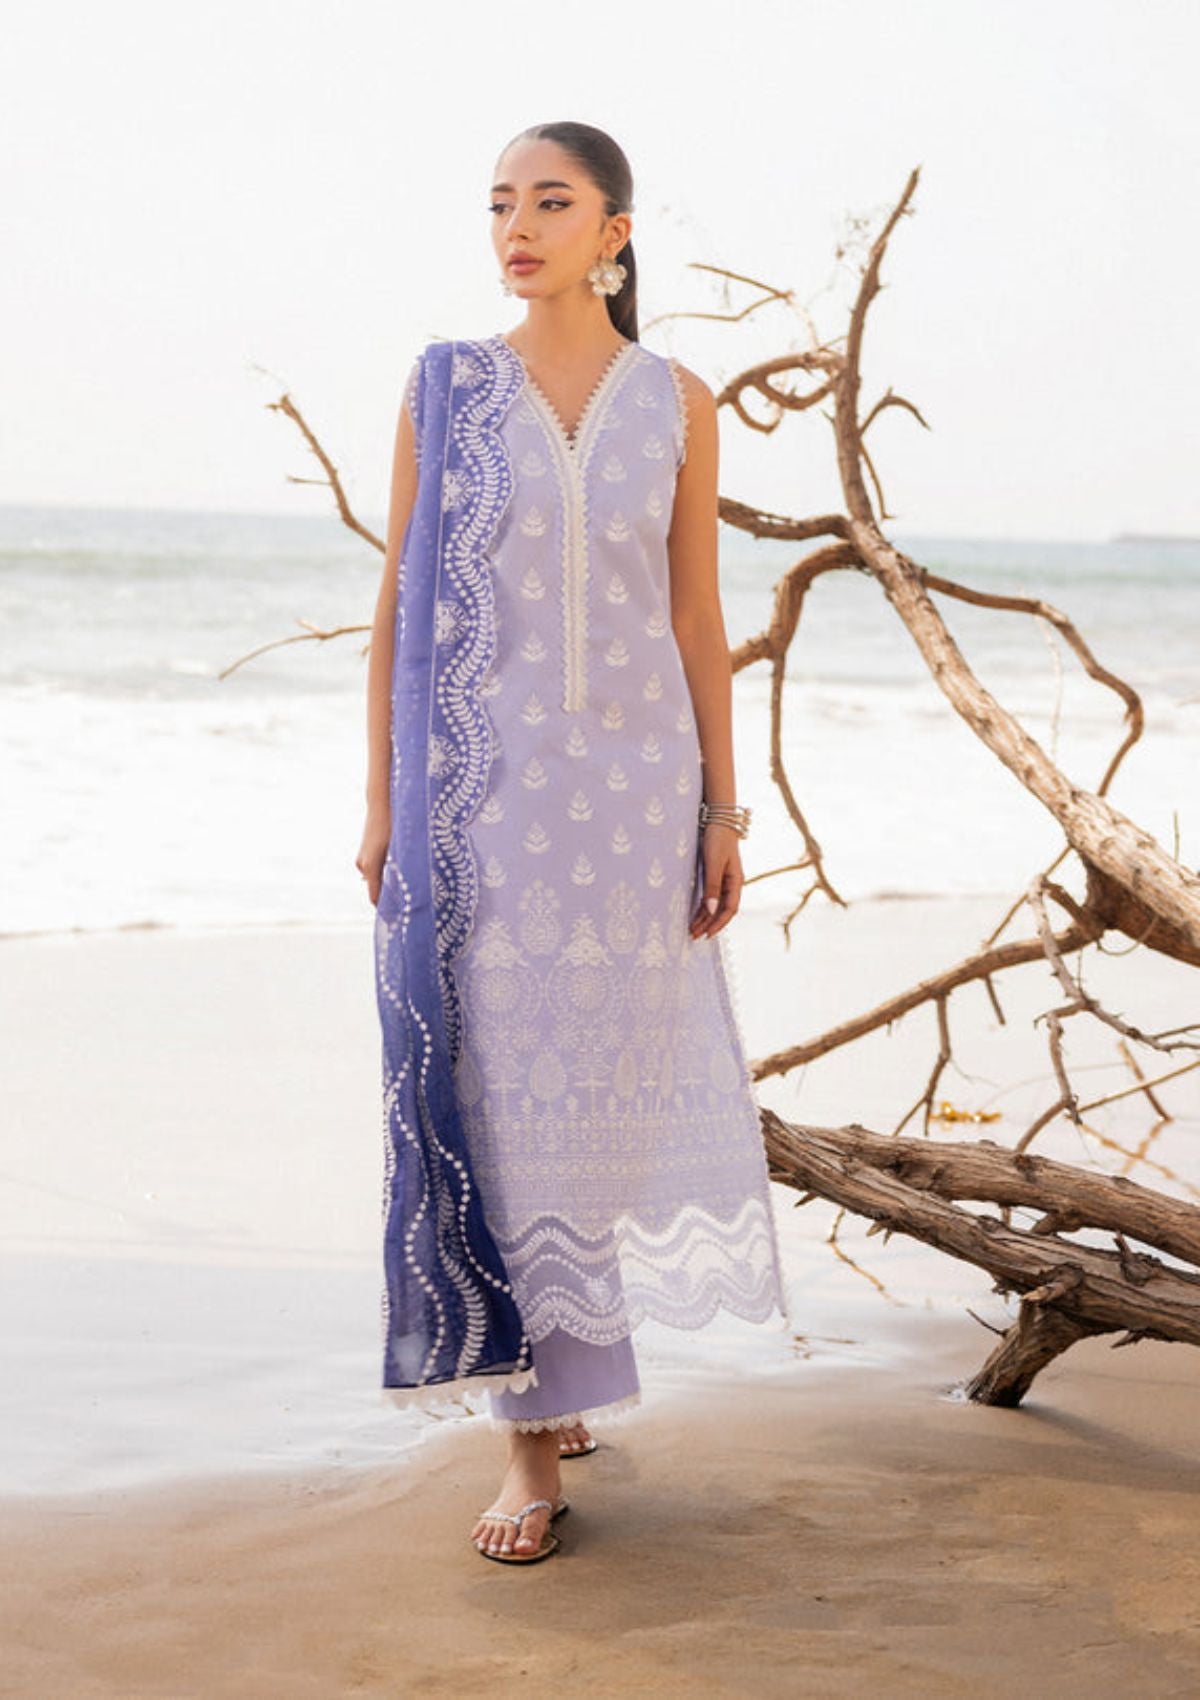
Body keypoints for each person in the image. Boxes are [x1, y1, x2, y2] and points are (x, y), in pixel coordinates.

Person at [357, 120, 789, 1565]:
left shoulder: (679, 401)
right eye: (500, 204)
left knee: (594, 1094)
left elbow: (697, 617)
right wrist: (382, 800)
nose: (517, 228)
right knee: (500, 1094)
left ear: (615, 231)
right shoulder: (446, 387)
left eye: (550, 203)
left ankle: (573, 1368)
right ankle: (531, 1446)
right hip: (482, 806)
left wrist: (723, 810)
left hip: (636, 806)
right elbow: (398, 604)